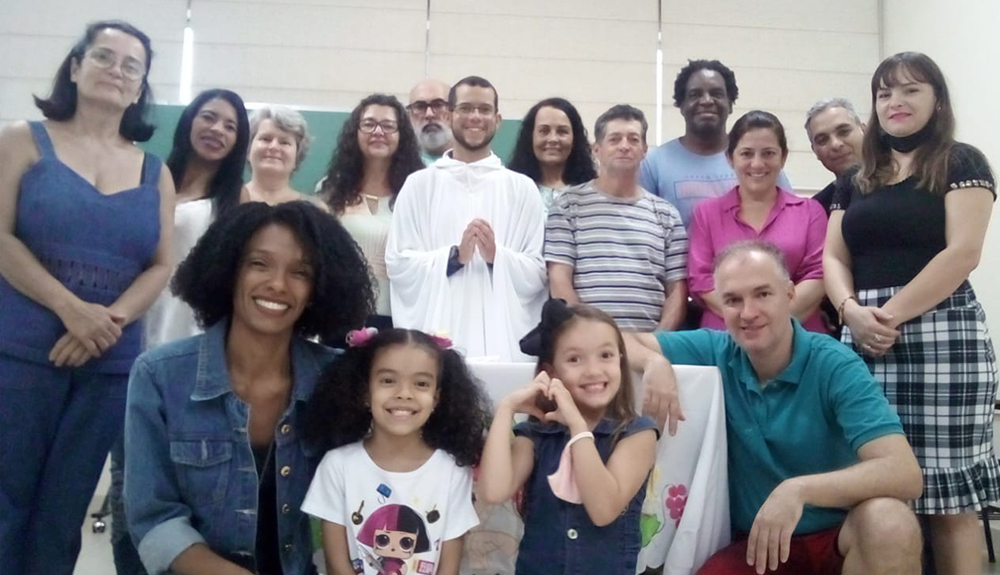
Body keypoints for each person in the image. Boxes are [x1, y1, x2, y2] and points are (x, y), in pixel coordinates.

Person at [625, 240, 923, 575]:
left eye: (762, 294)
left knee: (890, 521)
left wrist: (798, 490)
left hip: (839, 537)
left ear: (789, 295)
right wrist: (653, 362)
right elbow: (614, 339)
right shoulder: (715, 350)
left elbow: (904, 472)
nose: (748, 312)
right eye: (733, 300)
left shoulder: (835, 365)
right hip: (758, 546)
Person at [0, 20, 174, 575]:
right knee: (5, 501)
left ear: (140, 86)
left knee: (62, 512)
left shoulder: (155, 172)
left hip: (107, 362)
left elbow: (160, 265)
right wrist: (70, 310)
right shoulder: (20, 141)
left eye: (131, 65)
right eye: (103, 56)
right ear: (75, 68)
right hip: (20, 353)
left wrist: (106, 322)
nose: (116, 70)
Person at [125, 201, 375, 575]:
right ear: (228, 271)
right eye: (259, 264)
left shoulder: (338, 378)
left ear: (318, 289)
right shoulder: (160, 375)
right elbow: (154, 518)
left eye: (300, 272)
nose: (277, 284)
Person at [824, 52, 999, 575]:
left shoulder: (962, 161)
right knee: (877, 489)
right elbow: (833, 256)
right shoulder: (857, 177)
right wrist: (850, 311)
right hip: (862, 339)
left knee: (949, 504)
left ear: (937, 100)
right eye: (884, 93)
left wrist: (886, 316)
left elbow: (962, 254)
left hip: (944, 338)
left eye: (911, 90)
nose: (895, 102)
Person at [108, 87, 252, 575]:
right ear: (189, 121)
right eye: (209, 118)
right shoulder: (147, 178)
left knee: (192, 489)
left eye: (231, 125)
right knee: (130, 486)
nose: (217, 130)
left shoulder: (238, 200)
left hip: (194, 361)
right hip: (125, 345)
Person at [478, 299, 659, 575]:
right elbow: (494, 490)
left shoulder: (637, 433)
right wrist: (506, 409)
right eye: (574, 359)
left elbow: (603, 510)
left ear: (621, 361)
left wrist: (577, 425)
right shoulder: (537, 434)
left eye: (606, 355)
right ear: (550, 372)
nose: (593, 370)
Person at [301, 328, 491, 575]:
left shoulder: (452, 472)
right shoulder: (337, 466)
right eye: (388, 380)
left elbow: (449, 568)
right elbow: (337, 566)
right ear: (365, 393)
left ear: (436, 399)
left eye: (421, 383)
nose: (404, 393)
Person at [385, 75, 547, 361]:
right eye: (466, 108)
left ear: (497, 119)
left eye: (484, 110)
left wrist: (497, 256)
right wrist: (453, 258)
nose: (475, 117)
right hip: (439, 339)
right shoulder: (418, 185)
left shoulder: (522, 188)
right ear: (449, 115)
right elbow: (398, 264)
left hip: (503, 343)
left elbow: (537, 271)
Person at [545, 104, 688, 332]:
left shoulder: (667, 214)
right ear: (596, 149)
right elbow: (559, 280)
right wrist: (589, 335)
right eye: (615, 139)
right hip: (587, 345)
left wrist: (657, 341)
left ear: (644, 150)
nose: (624, 146)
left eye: (633, 139)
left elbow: (677, 291)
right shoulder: (567, 205)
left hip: (650, 349)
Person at [687, 111, 827, 333]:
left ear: (783, 157)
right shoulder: (706, 214)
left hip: (800, 338)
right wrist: (745, 321)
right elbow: (701, 281)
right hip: (724, 340)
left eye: (768, 153)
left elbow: (818, 275)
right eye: (746, 154)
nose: (757, 163)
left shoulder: (811, 212)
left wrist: (773, 325)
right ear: (730, 158)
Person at [640, 59, 791, 227]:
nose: (706, 101)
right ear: (681, 105)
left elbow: (787, 218)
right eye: (695, 94)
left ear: (730, 104)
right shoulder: (653, 164)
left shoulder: (759, 161)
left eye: (716, 94)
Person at [320, 94, 425, 329]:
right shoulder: (330, 190)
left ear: (402, 136)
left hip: (402, 317)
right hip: (341, 316)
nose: (378, 132)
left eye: (388, 126)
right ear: (355, 132)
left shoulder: (415, 193)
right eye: (369, 124)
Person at [507, 97, 597, 212]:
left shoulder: (593, 192)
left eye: (562, 131)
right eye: (544, 131)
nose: (553, 139)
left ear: (575, 138)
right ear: (530, 136)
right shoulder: (511, 189)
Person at [246, 104, 325, 209]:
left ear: (297, 156)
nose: (274, 147)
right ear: (248, 149)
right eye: (265, 139)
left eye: (284, 142)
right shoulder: (224, 201)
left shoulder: (316, 209)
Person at [804, 98, 865, 214]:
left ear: (864, 130)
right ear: (815, 151)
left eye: (843, 132)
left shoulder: (900, 181)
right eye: (822, 140)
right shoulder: (816, 210)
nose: (835, 144)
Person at [407, 78, 454, 164]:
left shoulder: (477, 159)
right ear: (410, 116)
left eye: (438, 105)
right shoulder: (399, 165)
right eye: (420, 107)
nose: (429, 114)